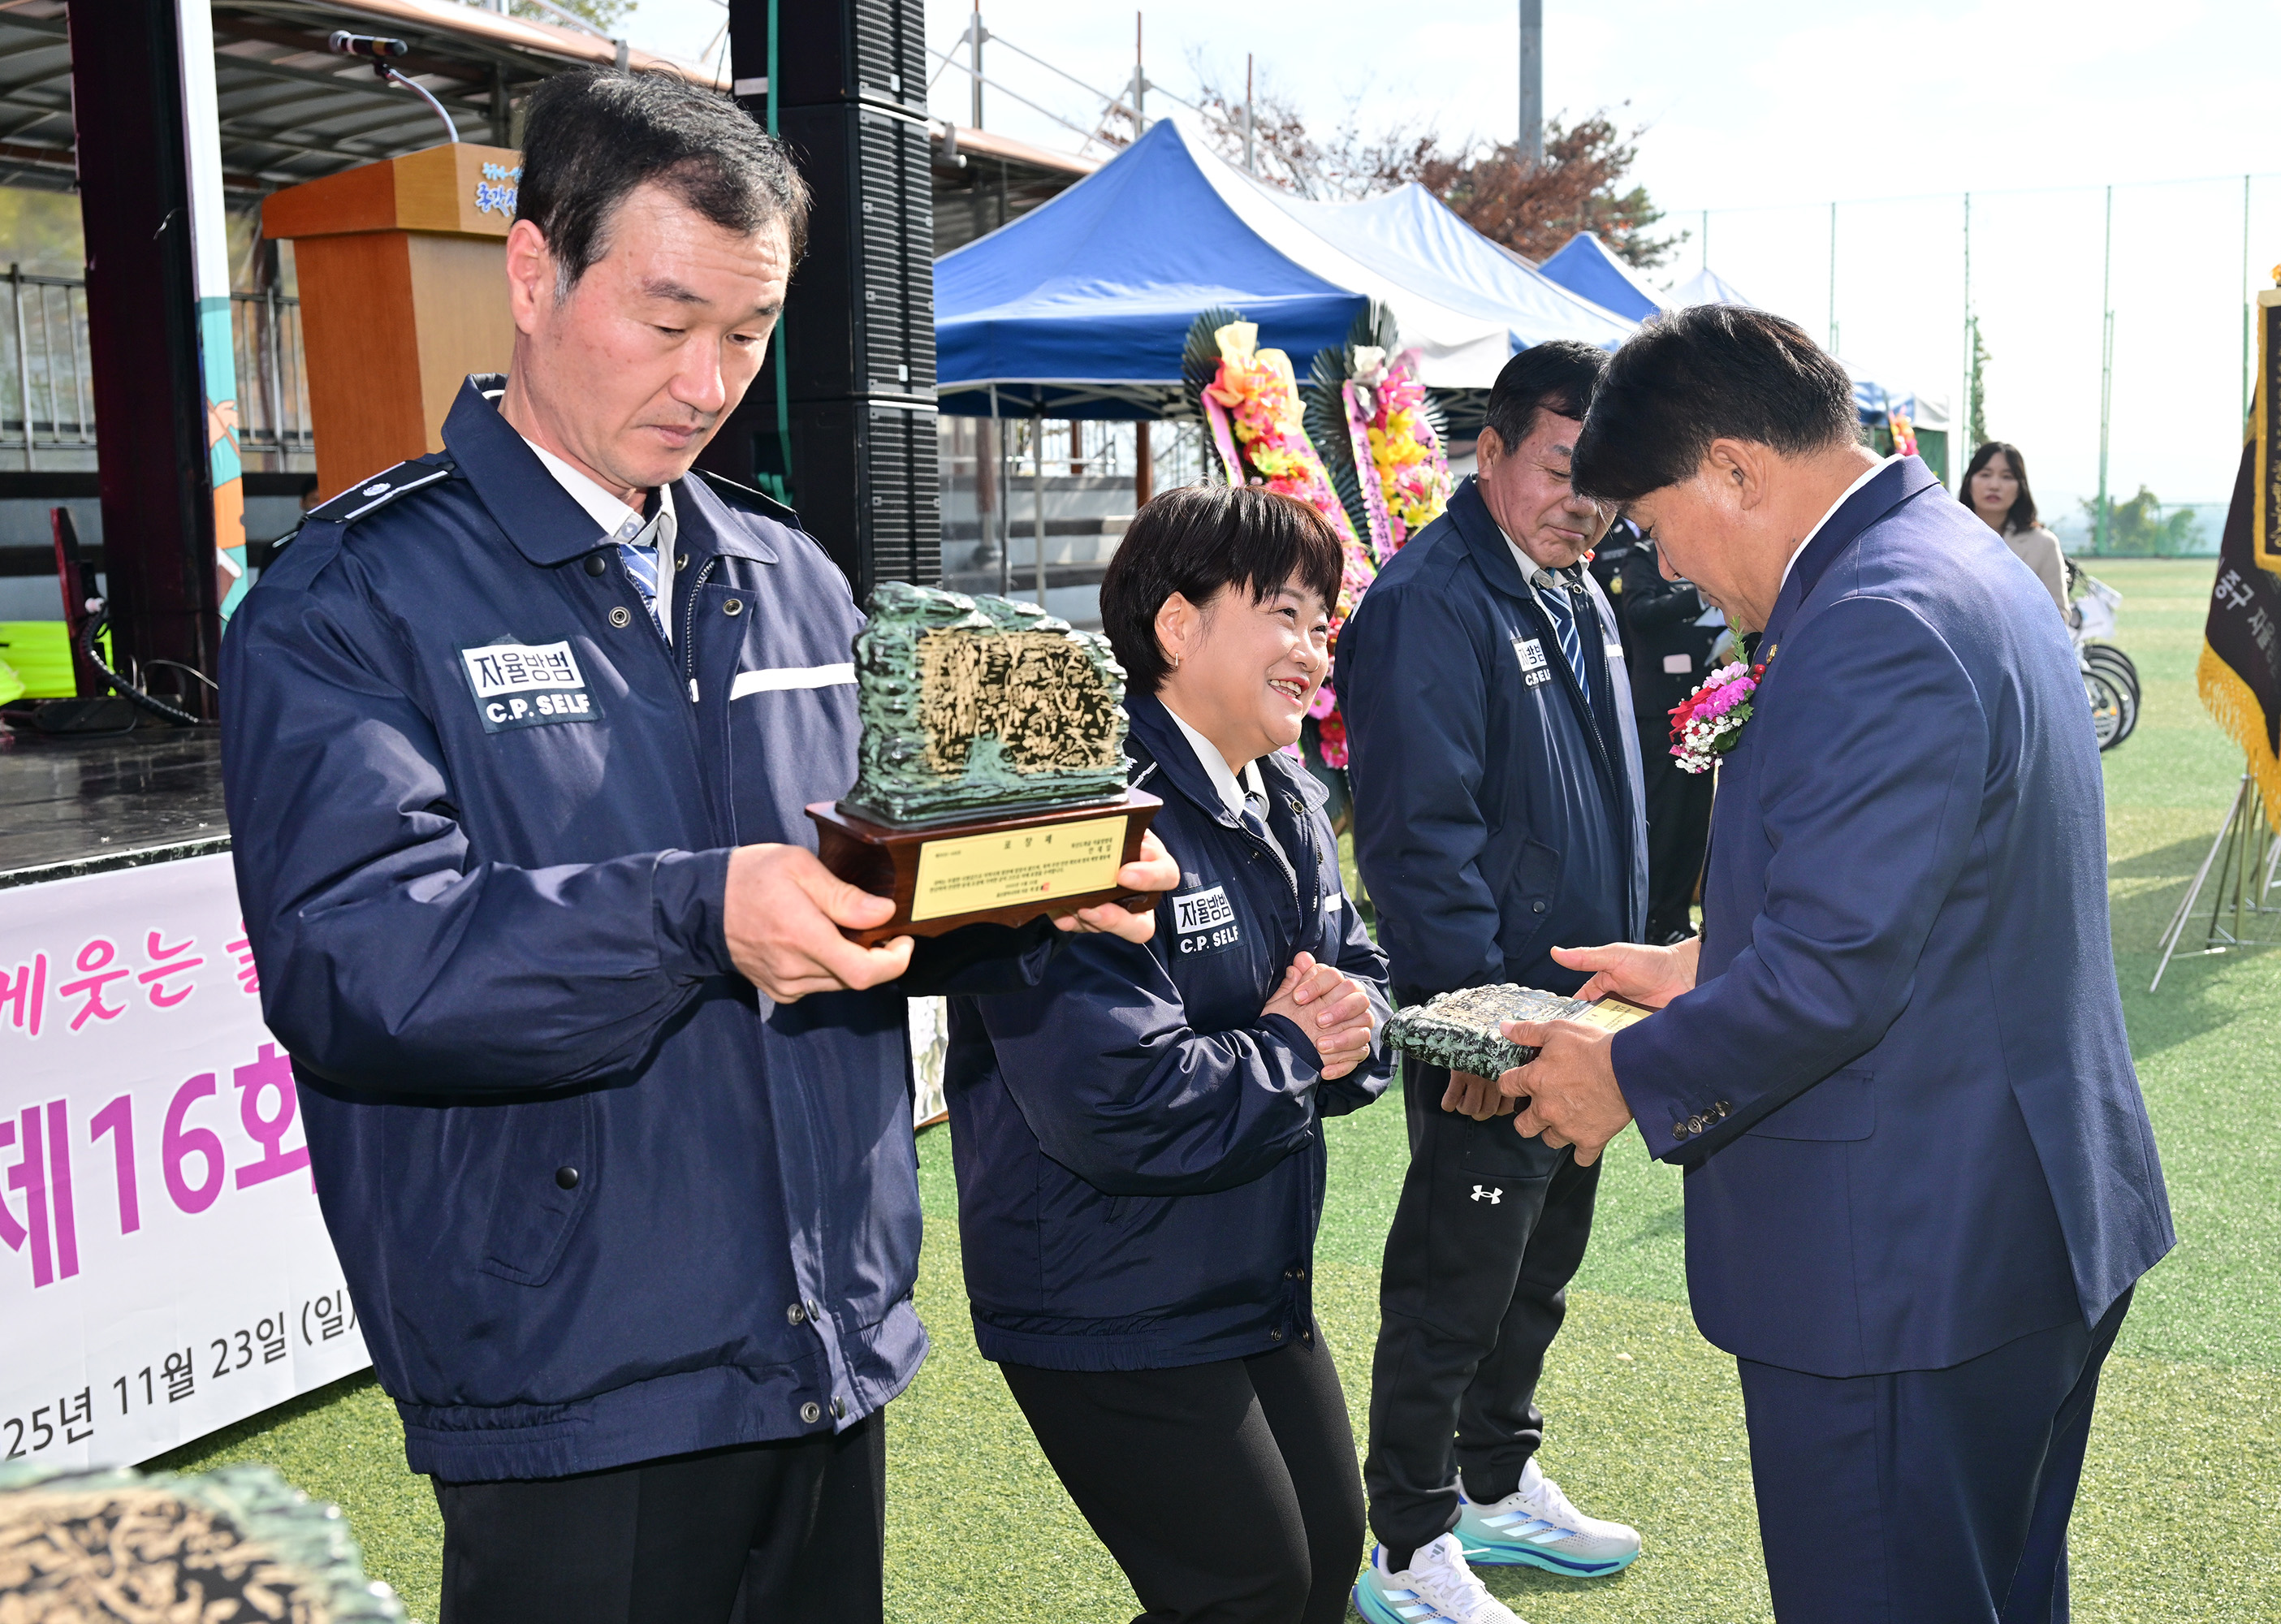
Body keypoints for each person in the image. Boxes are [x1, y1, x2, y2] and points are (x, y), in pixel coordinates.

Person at [218, 70, 1175, 1624]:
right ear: (533, 275)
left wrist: (1033, 898)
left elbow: (856, 899)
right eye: (666, 321)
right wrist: (692, 914)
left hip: (819, 1338)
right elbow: (360, 967)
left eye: (749, 330)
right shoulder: (353, 599)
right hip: (574, 1373)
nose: (711, 377)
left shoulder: (791, 576)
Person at [1498, 305, 2175, 1624]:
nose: (1667, 570)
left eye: (1654, 524)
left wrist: (1626, 1079)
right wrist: (1708, 959)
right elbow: (1943, 891)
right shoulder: (1958, 566)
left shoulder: (1875, 620)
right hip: (2007, 1223)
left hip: (1912, 1264)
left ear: (1738, 470)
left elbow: (1834, 977)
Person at [944, 484, 1393, 1624]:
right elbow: (1118, 1099)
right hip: (1105, 1292)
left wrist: (1336, 1034)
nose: (1313, 647)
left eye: (1323, 620)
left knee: (1324, 1559)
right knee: (1247, 1586)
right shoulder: (1076, 805)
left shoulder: (1283, 790)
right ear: (1178, 626)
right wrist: (1297, 1046)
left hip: (1248, 1272)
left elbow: (1360, 986)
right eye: (1285, 612)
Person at [1335, 342, 1648, 1624]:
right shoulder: (1430, 600)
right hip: (1495, 1027)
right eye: (1565, 471)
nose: (1587, 503)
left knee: (1540, 1265)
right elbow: (1417, 841)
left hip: (1585, 1017)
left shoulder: (1578, 587)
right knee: (1455, 1277)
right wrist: (1482, 1033)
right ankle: (1408, 1543)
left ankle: (1495, 1481)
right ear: (1492, 451)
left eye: (1608, 483)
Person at [1613, 528, 1722, 943]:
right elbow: (1639, 611)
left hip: (1705, 708)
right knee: (1663, 817)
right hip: (1660, 712)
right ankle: (1653, 917)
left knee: (1694, 821)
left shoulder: (1704, 550)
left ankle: (1677, 916)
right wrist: (1697, 596)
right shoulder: (1641, 557)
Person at [1964, 440, 2070, 616]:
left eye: (2007, 477)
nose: (1994, 485)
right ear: (1969, 482)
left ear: (2020, 487)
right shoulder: (1946, 537)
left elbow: (2059, 615)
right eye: (1985, 474)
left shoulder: (2044, 544)